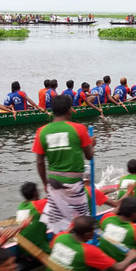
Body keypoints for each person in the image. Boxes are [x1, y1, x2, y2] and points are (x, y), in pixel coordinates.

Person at [33, 95, 94, 233]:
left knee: (58, 223)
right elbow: (89, 156)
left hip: (54, 183)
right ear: (69, 110)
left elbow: (39, 162)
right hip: (74, 184)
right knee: (81, 225)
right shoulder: (79, 129)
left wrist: (45, 183)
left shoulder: (41, 131)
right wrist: (92, 144)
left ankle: (61, 239)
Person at [44, 216, 136, 271]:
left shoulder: (60, 236)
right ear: (87, 234)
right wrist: (131, 255)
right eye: (93, 230)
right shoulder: (88, 251)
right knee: (104, 268)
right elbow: (119, 268)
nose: (95, 232)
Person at [17, 182, 50, 266]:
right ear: (35, 193)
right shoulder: (40, 204)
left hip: (23, 248)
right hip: (38, 249)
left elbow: (42, 202)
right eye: (38, 190)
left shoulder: (21, 206)